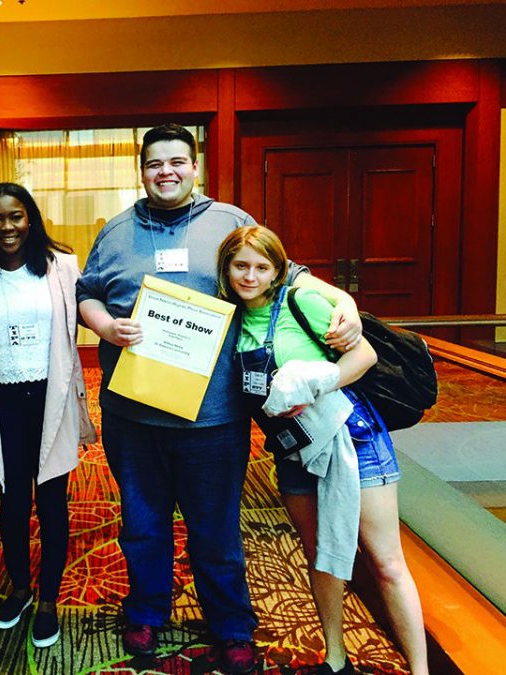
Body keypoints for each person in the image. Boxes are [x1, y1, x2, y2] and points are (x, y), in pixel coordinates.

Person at [76, 123, 362, 673]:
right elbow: (87, 291)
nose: (167, 172)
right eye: (156, 163)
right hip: (132, 416)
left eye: (178, 161)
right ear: (142, 170)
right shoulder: (115, 232)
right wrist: (105, 327)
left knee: (215, 526)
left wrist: (342, 298)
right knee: (142, 522)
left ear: (195, 166)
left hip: (214, 418)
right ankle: (146, 611)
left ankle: (231, 625)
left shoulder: (230, 223)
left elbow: (289, 274)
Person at [217, 225, 429, 675]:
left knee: (386, 561)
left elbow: (364, 356)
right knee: (321, 553)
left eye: (261, 267)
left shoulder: (301, 301)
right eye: (241, 266)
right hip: (292, 449)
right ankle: (335, 658)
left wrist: (316, 381)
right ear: (227, 269)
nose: (250, 276)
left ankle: (420, 670)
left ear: (278, 271)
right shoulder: (229, 319)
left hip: (351, 439)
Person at [0, 183, 97, 648]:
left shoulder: (62, 268)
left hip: (51, 399)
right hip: (1, 404)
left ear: (31, 218)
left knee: (52, 500)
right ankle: (21, 588)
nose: (7, 227)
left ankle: (48, 600)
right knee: (13, 502)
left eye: (16, 216)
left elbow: (98, 306)